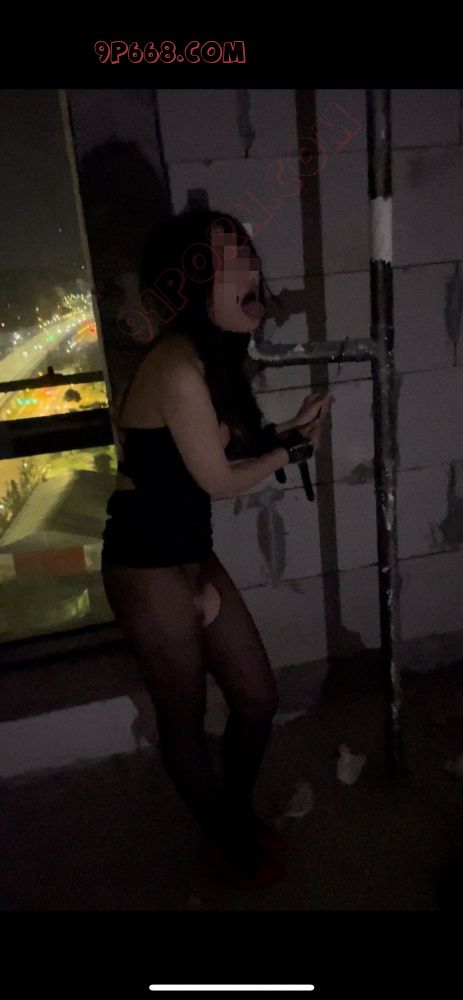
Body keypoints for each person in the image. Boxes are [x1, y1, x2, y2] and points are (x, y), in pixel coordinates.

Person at [100, 209, 334, 887]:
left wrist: (286, 432)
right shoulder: (176, 366)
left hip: (193, 555)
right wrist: (290, 451)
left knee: (257, 699)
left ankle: (231, 814)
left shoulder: (212, 357)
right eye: (231, 261)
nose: (252, 270)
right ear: (190, 283)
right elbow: (219, 481)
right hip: (145, 568)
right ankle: (229, 836)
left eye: (248, 254)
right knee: (184, 719)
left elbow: (225, 451)